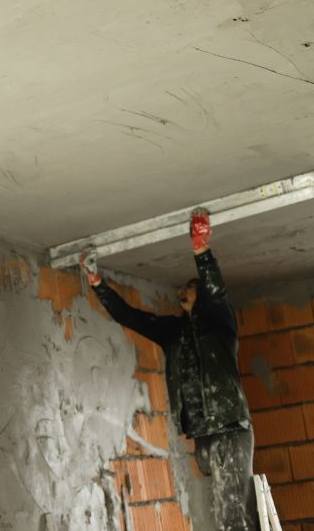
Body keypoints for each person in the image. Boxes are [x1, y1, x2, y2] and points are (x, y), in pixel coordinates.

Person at [80, 209, 257, 531]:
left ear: (200, 295)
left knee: (234, 510)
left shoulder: (219, 325)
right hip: (202, 433)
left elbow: (217, 292)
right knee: (220, 510)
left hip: (230, 426)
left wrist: (201, 251)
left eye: (189, 288)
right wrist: (97, 284)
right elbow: (130, 317)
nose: (181, 292)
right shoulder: (174, 333)